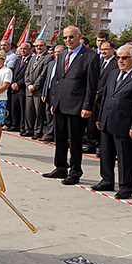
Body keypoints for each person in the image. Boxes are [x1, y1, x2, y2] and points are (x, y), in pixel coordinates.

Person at [92, 43, 132, 199]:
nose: (120, 61)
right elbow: (106, 97)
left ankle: (126, 186)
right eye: (118, 57)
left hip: (126, 124)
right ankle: (107, 180)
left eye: (124, 58)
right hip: (108, 120)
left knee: (126, 157)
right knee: (106, 153)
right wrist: (100, 117)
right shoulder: (113, 74)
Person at [42, 26, 99, 185]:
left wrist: (87, 106)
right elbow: (57, 80)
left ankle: (75, 171)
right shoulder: (62, 55)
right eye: (65, 37)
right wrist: (54, 102)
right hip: (61, 104)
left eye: (71, 37)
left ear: (79, 37)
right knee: (59, 139)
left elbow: (91, 84)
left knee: (74, 141)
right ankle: (60, 167)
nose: (68, 40)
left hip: (77, 105)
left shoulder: (90, 56)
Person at [24, 39, 53, 140]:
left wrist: (35, 86)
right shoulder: (33, 58)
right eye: (37, 46)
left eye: (41, 45)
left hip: (38, 89)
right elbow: (27, 72)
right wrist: (28, 84)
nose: (39, 47)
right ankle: (29, 129)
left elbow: (43, 74)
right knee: (29, 111)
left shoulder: (48, 57)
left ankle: (38, 131)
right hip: (29, 89)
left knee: (38, 112)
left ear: (45, 46)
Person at [40, 45, 65, 143]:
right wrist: (44, 93)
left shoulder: (64, 64)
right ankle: (49, 134)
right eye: (56, 52)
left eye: (60, 52)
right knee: (48, 113)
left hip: (58, 92)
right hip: (49, 90)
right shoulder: (51, 63)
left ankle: (57, 135)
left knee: (56, 113)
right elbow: (47, 79)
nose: (57, 54)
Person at [11, 42, 33, 136]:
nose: (23, 50)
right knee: (14, 108)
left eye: (25, 49)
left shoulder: (31, 60)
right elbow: (14, 72)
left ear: (30, 50)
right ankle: (14, 124)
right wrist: (13, 83)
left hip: (23, 89)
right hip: (14, 88)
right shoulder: (18, 60)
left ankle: (23, 127)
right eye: (22, 49)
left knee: (23, 110)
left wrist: (19, 84)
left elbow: (28, 75)